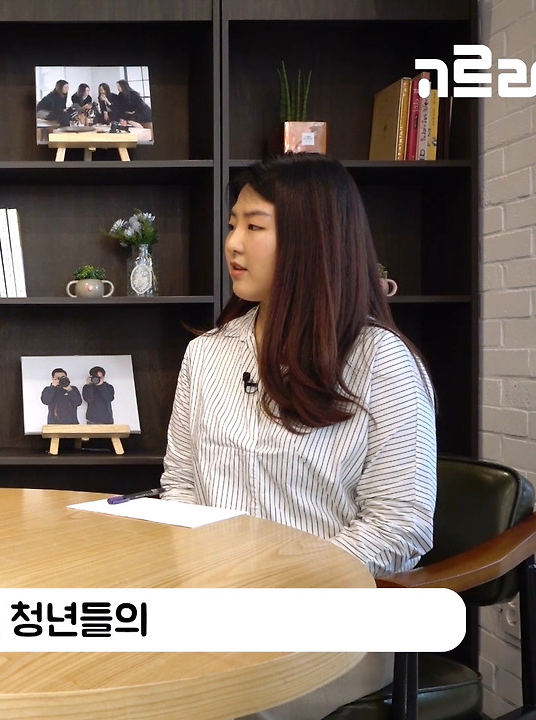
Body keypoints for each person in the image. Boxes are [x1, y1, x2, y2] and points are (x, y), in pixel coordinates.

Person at [158, 153, 436, 720]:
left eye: (254, 226)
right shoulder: (206, 354)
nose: (232, 243)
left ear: (313, 240)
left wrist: (283, 585)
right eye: (232, 224)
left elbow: (400, 525)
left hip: (330, 620)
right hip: (213, 605)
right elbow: (180, 486)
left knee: (201, 697)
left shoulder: (381, 362)